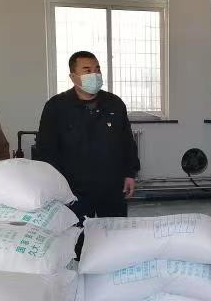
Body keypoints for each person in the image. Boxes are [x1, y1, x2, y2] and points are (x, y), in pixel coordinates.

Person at [36, 51, 140, 220]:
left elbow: (127, 142)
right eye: (87, 70)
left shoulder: (114, 103)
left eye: (97, 69)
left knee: (115, 231)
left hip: (112, 187)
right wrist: (53, 184)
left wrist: (130, 173)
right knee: (76, 233)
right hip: (73, 190)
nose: (95, 74)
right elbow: (46, 150)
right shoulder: (56, 107)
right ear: (73, 77)